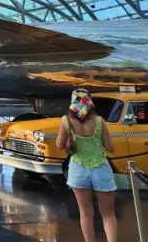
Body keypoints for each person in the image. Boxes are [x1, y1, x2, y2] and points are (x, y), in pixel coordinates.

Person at [56, 88, 116, 242]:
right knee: (108, 213)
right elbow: (110, 148)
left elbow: (59, 145)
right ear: (89, 102)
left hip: (78, 168)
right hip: (101, 167)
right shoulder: (99, 121)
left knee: (85, 212)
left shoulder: (66, 121)